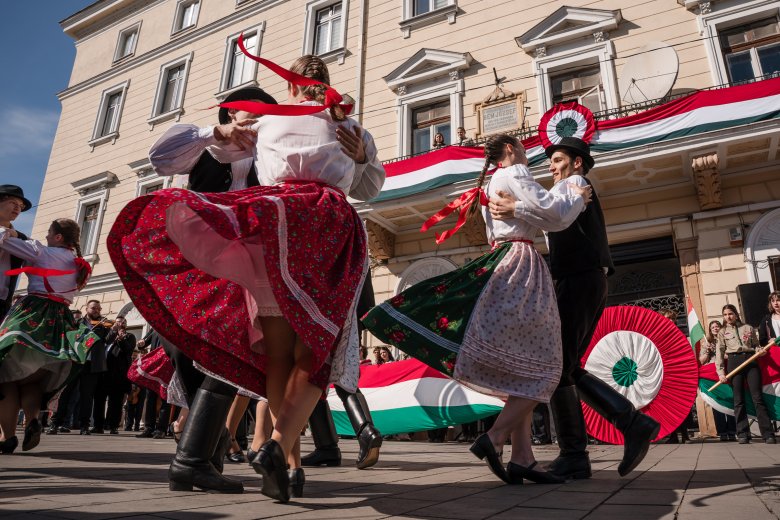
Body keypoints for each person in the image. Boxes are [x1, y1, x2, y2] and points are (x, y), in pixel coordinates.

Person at [108, 54, 385, 502]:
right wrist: (365, 157)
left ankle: (287, 465)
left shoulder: (273, 127)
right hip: (325, 225)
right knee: (317, 347)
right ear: (326, 85)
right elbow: (369, 189)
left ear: (291, 88)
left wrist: (224, 132)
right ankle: (276, 449)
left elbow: (169, 156)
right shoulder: (349, 127)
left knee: (277, 353)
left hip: (272, 224)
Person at [364, 134, 591, 484]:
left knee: (520, 367)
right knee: (547, 367)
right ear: (512, 150)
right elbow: (555, 216)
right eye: (525, 150)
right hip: (521, 263)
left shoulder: (493, 183)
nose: (530, 157)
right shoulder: (515, 174)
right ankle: (494, 437)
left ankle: (522, 458)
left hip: (503, 259)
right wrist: (575, 197)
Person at [488, 136, 660, 479]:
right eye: (550, 162)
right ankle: (579, 453)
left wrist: (515, 209)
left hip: (581, 276)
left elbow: (557, 218)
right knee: (563, 365)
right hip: (574, 277)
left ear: (577, 162)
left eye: (558, 160)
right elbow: (548, 215)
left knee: (559, 363)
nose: (551, 166)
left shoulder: (576, 183)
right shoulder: (561, 189)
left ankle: (625, 425)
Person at [0, 219, 91, 453]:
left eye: (50, 233)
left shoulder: (42, 251)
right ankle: (32, 420)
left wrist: (7, 231)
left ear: (58, 237)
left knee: (4, 377)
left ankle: (7, 436)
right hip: (60, 321)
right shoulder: (79, 264)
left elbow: (7, 243)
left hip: (33, 314)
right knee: (33, 380)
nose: (47, 236)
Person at [715, 304, 775, 444]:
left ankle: (767, 433)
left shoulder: (748, 328)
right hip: (734, 362)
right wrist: (720, 373)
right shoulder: (722, 332)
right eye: (725, 314)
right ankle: (742, 433)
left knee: (757, 398)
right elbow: (720, 354)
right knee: (738, 400)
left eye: (730, 313)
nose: (728, 317)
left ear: (735, 314)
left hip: (750, 361)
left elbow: (755, 346)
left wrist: (760, 351)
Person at [92, 315, 135, 434]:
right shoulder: (109, 333)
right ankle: (98, 425)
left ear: (125, 324)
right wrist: (113, 331)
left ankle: (113, 426)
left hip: (118, 374)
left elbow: (128, 350)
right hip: (104, 372)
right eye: (117, 322)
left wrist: (121, 340)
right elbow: (105, 341)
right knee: (99, 400)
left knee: (115, 402)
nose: (119, 324)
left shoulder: (129, 336)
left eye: (122, 322)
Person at [699, 319, 736, 442]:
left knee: (730, 399)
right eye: (713, 327)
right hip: (711, 375)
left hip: (726, 372)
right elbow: (701, 361)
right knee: (717, 402)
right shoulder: (706, 343)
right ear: (710, 330)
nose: (715, 328)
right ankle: (722, 432)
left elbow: (731, 355)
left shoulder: (727, 339)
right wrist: (708, 351)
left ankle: (732, 430)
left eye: (717, 326)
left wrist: (720, 350)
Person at [0, 185, 31, 319]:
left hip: (2, 302)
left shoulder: (21, 238)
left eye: (20, 205)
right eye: (13, 202)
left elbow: (36, 254)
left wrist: (16, 235)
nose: (18, 208)